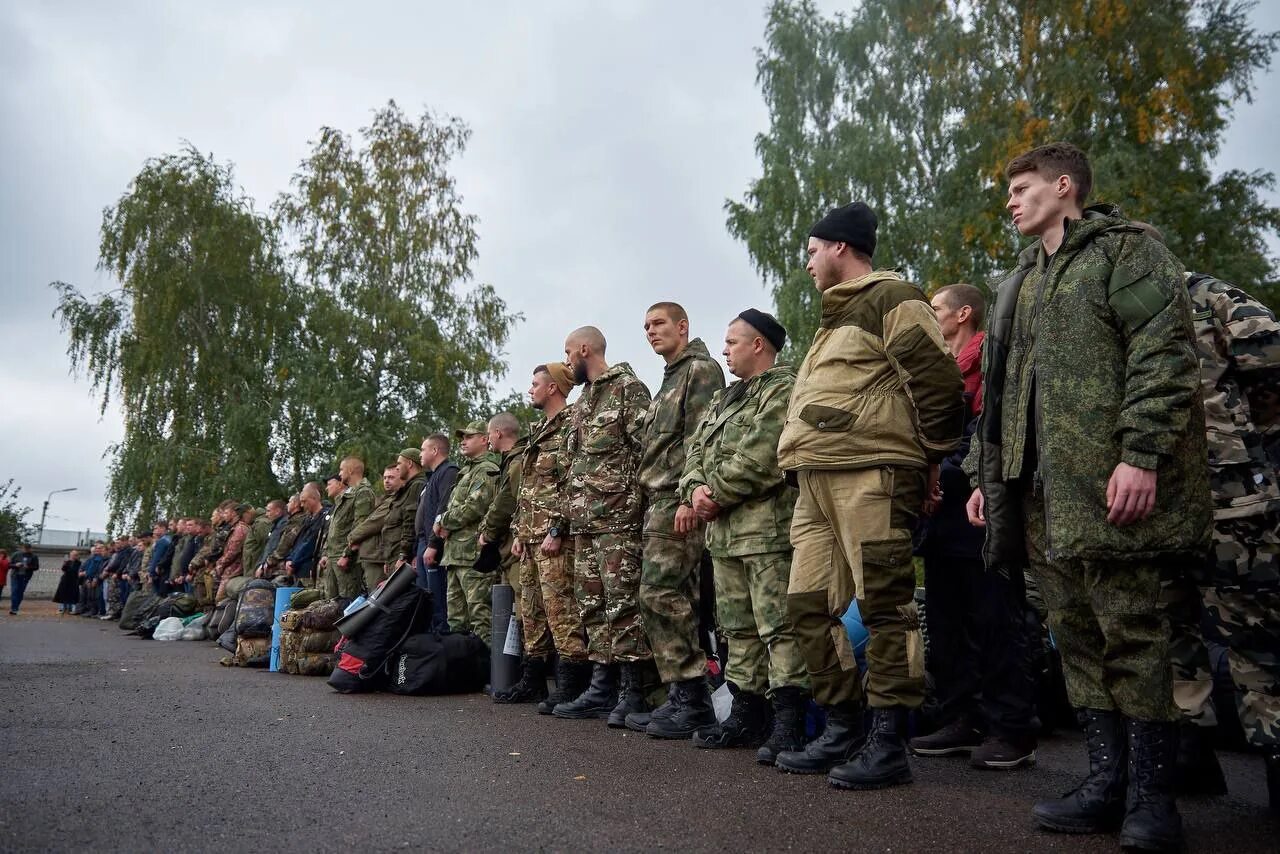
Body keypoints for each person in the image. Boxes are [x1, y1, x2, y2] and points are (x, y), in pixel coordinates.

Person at [964, 142, 1210, 849]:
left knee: (1135, 634)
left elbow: (1163, 354)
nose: (1009, 201)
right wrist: (990, 479)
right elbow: (1003, 395)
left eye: (1021, 188)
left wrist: (1141, 455)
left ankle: (1152, 798)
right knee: (1076, 639)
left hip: (1109, 487)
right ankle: (1106, 783)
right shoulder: (1021, 281)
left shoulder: (1126, 252)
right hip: (1040, 495)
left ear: (1063, 185)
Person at [774, 201, 965, 789]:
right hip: (814, 477)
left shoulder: (892, 297)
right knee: (808, 606)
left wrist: (930, 460)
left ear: (838, 246)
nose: (807, 261)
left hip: (872, 473)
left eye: (811, 250)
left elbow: (937, 381)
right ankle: (842, 726)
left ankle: (887, 741)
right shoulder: (832, 319)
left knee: (885, 606)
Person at [908, 284, 1040, 769]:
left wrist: (940, 474)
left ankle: (1012, 728)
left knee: (996, 622)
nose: (931, 315)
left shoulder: (988, 363)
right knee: (945, 625)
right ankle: (961, 717)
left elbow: (992, 433)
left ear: (964, 314)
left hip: (980, 514)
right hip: (940, 520)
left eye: (937, 309)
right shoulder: (938, 373)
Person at [1170, 265, 1280, 812]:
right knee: (1171, 625)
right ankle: (1191, 754)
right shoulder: (1119, 306)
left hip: (1232, 493)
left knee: (1252, 627)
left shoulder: (1209, 297)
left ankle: (1274, 759)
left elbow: (1268, 363)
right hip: (1160, 496)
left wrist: (1246, 443)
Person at [680, 310, 810, 762]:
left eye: (732, 342)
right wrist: (694, 488)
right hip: (726, 537)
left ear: (758, 345)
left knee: (779, 628)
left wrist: (712, 493)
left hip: (767, 535)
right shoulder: (724, 399)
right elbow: (693, 452)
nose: (724, 350)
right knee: (737, 629)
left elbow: (765, 454)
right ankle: (747, 714)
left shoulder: (783, 389)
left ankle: (789, 722)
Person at [625, 302, 725, 738]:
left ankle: (692, 697)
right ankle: (685, 698)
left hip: (677, 501)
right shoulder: (669, 377)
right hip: (657, 501)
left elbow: (700, 440)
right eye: (646, 326)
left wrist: (688, 495)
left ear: (683, 326)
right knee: (672, 596)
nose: (651, 331)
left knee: (661, 593)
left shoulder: (700, 370)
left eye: (659, 323)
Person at [554, 326, 653, 725]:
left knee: (623, 605)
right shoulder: (582, 402)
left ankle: (634, 692)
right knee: (591, 605)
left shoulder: (629, 388)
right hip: (584, 523)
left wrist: (639, 507)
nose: (565, 362)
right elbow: (574, 466)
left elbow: (648, 449)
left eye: (567, 353)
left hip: (618, 521)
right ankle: (602, 687)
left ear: (584, 349)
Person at [501, 363, 586, 708]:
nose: (530, 389)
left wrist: (557, 528)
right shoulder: (538, 431)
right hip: (530, 537)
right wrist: (519, 531)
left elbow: (573, 482)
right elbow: (528, 489)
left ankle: (572, 685)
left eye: (535, 383)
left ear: (553, 388)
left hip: (554, 538)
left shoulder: (572, 424)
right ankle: (533, 680)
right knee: (532, 611)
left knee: (560, 609)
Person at [436, 424, 500, 640]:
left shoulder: (486, 469)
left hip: (473, 556)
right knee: (456, 622)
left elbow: (474, 508)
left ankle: (488, 671)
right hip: (455, 555)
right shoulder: (467, 471)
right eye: (462, 437)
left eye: (469, 437)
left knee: (480, 618)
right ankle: (463, 669)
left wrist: (442, 520)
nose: (463, 441)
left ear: (484, 439)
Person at [417, 433, 460, 631]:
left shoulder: (449, 472)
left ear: (435, 451)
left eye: (423, 449)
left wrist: (433, 544)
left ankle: (443, 644)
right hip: (426, 544)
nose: (420, 454)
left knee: (439, 603)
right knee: (428, 601)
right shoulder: (433, 476)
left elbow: (444, 509)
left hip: (438, 549)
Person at [321, 456, 376, 600]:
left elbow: (361, 526)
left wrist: (347, 554)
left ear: (350, 470)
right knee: (330, 604)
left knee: (347, 602)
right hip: (335, 557)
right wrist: (327, 553)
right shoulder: (348, 495)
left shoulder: (363, 492)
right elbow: (336, 529)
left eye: (341, 469)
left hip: (347, 559)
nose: (339, 474)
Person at [348, 465, 402, 594]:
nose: (387, 481)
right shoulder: (383, 499)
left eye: (391, 477)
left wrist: (352, 537)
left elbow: (372, 523)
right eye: (385, 477)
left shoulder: (394, 501)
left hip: (378, 557)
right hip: (372, 556)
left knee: (378, 597)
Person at [381, 449, 428, 579]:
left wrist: (404, 555)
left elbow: (410, 521)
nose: (397, 467)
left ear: (409, 464)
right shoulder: (407, 488)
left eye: (399, 463)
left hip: (402, 556)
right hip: (394, 554)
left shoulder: (417, 485)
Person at [286, 484, 329, 587]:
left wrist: (294, 562)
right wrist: (290, 558)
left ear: (314, 499)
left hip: (309, 567)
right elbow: (298, 541)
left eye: (304, 501)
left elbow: (311, 543)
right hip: (298, 567)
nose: (301, 505)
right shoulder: (307, 519)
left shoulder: (324, 517)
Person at [260, 496, 304, 579]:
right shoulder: (289, 521)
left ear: (295, 504)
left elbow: (283, 546)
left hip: (285, 566)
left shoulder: (294, 521)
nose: (287, 505)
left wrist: (268, 562)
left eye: (289, 502)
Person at [77, 541, 107, 616]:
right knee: (90, 596)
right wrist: (88, 579)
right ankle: (90, 610)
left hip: (96, 580)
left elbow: (99, 570)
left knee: (96, 596)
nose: (97, 550)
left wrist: (95, 579)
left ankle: (95, 611)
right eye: (96, 548)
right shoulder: (93, 558)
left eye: (99, 548)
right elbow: (89, 569)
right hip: (89, 579)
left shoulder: (101, 559)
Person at [9, 543, 39, 614]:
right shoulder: (16, 554)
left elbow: (36, 567)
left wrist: (28, 567)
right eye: (25, 548)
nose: (26, 550)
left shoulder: (34, 556)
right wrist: (15, 565)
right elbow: (9, 564)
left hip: (25, 576)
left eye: (28, 549)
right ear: (22, 548)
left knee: (20, 592)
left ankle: (16, 607)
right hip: (15, 575)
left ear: (30, 549)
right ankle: (14, 608)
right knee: (14, 591)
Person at [146, 520, 174, 595]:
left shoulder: (162, 541)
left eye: (156, 528)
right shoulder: (170, 539)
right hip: (166, 571)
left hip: (160, 573)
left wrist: (151, 574)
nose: (154, 531)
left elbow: (156, 558)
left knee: (159, 597)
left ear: (163, 528)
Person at [54, 549, 82, 614]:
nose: (73, 556)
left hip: (74, 580)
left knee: (73, 595)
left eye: (75, 555)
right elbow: (63, 569)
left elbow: (76, 571)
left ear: (77, 556)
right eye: (72, 555)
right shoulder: (67, 562)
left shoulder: (79, 563)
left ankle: (71, 609)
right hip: (65, 580)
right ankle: (62, 608)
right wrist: (65, 563)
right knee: (63, 594)